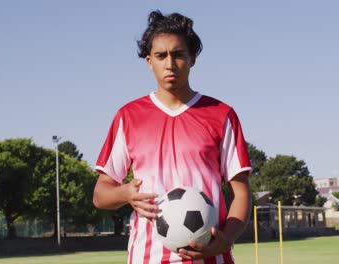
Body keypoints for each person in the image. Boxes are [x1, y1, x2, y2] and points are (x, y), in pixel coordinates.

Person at [93, 10, 252, 264]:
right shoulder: (128, 116)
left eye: (178, 55)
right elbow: (101, 194)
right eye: (161, 56)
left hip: (212, 258)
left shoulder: (222, 115)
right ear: (149, 61)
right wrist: (125, 194)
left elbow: (241, 193)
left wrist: (227, 238)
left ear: (192, 59)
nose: (169, 64)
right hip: (147, 257)